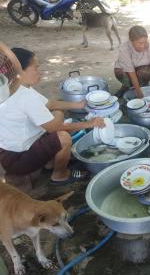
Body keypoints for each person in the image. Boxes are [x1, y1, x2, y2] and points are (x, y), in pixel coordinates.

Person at [0, 48, 105, 185]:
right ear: (21, 71)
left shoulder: (14, 87)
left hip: (18, 149)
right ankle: (60, 175)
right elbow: (54, 127)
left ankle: (49, 163)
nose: (40, 72)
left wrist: (79, 105)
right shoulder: (24, 96)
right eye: (36, 68)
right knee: (63, 137)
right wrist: (89, 123)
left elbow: (49, 104)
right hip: (17, 159)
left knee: (56, 116)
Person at [114, 26, 150, 99]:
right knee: (120, 72)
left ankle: (143, 84)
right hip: (128, 71)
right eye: (139, 43)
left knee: (145, 72)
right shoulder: (124, 49)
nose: (143, 46)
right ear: (131, 41)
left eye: (145, 42)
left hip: (142, 70)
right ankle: (126, 86)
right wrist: (138, 92)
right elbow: (131, 72)